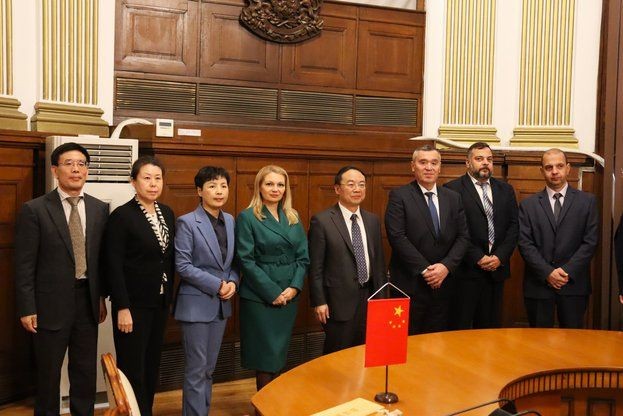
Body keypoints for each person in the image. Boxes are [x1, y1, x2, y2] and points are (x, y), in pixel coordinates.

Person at [14, 142, 109, 416]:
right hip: (49, 306)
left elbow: (100, 260)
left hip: (87, 302)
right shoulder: (35, 209)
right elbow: (24, 264)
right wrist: (27, 307)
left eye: (81, 164)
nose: (76, 169)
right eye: (69, 163)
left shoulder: (99, 208)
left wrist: (100, 297)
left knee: (85, 372)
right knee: (48, 374)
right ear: (55, 170)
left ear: (87, 171)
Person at [104, 156, 175, 416]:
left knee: (151, 364)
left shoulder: (166, 213)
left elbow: (167, 258)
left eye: (158, 178)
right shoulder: (122, 216)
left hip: (159, 301)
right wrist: (122, 307)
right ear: (133, 182)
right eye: (146, 178)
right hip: (132, 305)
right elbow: (113, 265)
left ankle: (146, 411)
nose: (153, 184)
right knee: (132, 368)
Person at [235, 165, 309, 391]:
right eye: (269, 184)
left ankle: (273, 405)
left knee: (278, 355)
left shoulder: (293, 216)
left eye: (280, 184)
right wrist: (272, 292)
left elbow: (303, 258)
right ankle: (263, 406)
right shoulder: (248, 217)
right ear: (259, 187)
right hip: (260, 297)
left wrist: (294, 287)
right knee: (265, 358)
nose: (275, 189)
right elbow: (245, 260)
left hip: (288, 296)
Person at [174, 166, 239, 416]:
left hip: (221, 305)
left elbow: (232, 263)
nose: (219, 191)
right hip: (196, 305)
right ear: (200, 191)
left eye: (223, 185)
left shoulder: (230, 220)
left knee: (209, 370)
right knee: (196, 370)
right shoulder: (188, 222)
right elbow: (183, 265)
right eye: (212, 186)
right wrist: (218, 285)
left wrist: (232, 282)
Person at [385, 144, 469, 334]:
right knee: (408, 340)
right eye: (423, 162)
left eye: (434, 163)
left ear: (439, 167)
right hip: (410, 284)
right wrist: (426, 271)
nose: (429, 167)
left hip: (444, 284)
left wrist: (445, 267)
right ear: (413, 166)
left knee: (437, 341)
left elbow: (463, 236)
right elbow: (397, 237)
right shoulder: (399, 196)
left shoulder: (453, 198)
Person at [308, 166, 385, 354]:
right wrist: (319, 301)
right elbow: (315, 267)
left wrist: (382, 300)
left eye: (361, 184)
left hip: (370, 298)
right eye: (351, 184)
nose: (357, 189)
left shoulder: (372, 220)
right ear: (337, 189)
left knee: (367, 352)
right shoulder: (322, 221)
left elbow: (379, 264)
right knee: (338, 354)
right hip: (338, 301)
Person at [518, 148, 598, 328]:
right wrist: (548, 273)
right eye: (549, 167)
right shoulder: (528, 205)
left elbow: (590, 242)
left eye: (559, 166)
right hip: (539, 285)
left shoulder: (587, 202)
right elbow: (525, 244)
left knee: (573, 341)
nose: (554, 171)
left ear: (568, 168)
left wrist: (566, 272)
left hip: (574, 285)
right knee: (538, 341)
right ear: (542, 171)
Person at [444, 142, 518, 329]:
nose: (485, 163)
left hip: (496, 272)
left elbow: (513, 227)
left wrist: (500, 257)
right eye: (479, 159)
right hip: (465, 272)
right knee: (460, 329)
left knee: (489, 331)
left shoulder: (506, 190)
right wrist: (477, 257)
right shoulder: (452, 189)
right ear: (467, 163)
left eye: (489, 159)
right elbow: (454, 231)